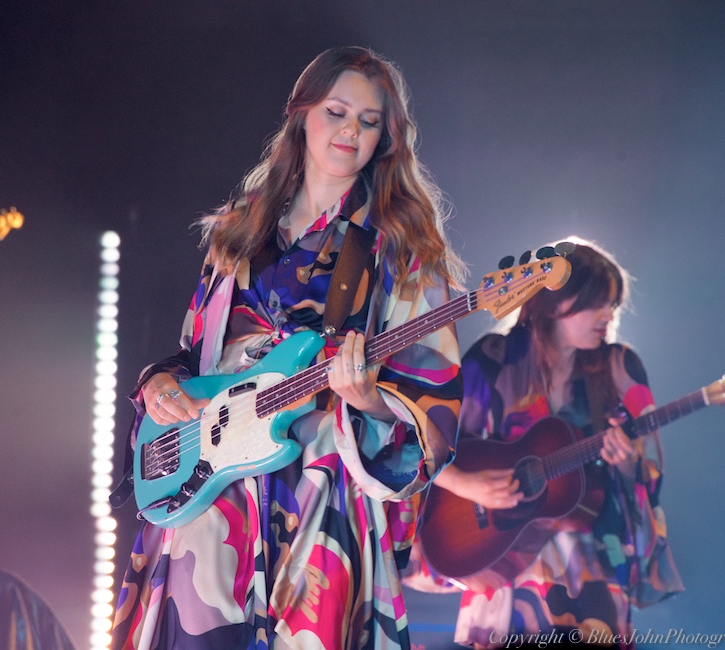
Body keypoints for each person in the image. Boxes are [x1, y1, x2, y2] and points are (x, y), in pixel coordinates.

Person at [111, 46, 466, 649]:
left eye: (369, 120)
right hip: (214, 480)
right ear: (302, 113)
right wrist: (159, 384)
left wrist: (372, 402)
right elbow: (195, 359)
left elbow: (435, 402)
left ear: (385, 137)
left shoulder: (400, 245)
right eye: (336, 111)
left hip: (321, 483)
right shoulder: (242, 226)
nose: (351, 130)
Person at [408, 239, 683, 648]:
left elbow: (647, 467)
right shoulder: (493, 358)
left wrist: (626, 464)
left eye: (613, 305)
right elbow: (435, 445)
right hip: (501, 558)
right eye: (597, 304)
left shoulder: (619, 368)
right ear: (555, 302)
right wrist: (474, 485)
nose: (609, 316)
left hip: (587, 565)